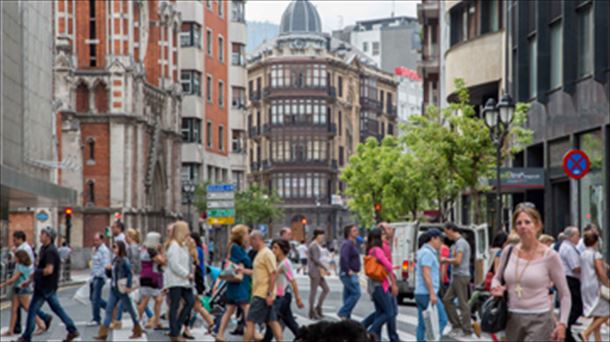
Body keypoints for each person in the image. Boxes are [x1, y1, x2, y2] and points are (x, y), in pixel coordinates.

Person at [491, 205, 571, 341]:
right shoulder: (508, 251)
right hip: (512, 318)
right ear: (515, 228)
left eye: (527, 222)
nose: (523, 226)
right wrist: (496, 286)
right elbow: (497, 278)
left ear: (538, 225)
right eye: (519, 223)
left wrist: (562, 324)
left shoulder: (550, 256)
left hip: (540, 319)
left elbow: (565, 294)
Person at [18, 227, 80, 342]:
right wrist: (29, 280)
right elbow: (40, 268)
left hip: (45, 287)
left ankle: (26, 337)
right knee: (57, 309)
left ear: (49, 237)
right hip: (43, 286)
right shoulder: (43, 249)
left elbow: (48, 270)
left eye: (43, 234)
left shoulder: (50, 251)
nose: (40, 236)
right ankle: (72, 330)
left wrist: (37, 273)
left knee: (32, 310)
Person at [242, 230, 283, 342]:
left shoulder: (267, 253)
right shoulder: (260, 253)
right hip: (261, 293)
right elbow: (257, 272)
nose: (250, 244)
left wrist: (269, 293)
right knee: (272, 322)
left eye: (251, 241)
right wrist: (242, 270)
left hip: (262, 294)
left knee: (250, 321)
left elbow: (273, 274)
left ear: (257, 239)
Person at [262, 239, 305, 342]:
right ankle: (302, 337)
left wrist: (298, 298)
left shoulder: (286, 263)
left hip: (282, 296)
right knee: (288, 320)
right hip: (279, 295)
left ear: (282, 249)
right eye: (272, 247)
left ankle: (266, 340)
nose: (273, 250)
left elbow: (293, 281)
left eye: (276, 248)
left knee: (272, 319)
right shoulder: (277, 262)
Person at [216, 225, 253, 342]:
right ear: (241, 235)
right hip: (239, 284)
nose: (248, 236)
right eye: (247, 233)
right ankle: (253, 332)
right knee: (246, 307)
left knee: (230, 309)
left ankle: (220, 334)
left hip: (235, 282)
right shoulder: (236, 248)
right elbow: (247, 261)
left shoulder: (235, 246)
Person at [0, 250, 47, 337]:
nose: (14, 259)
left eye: (16, 257)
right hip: (18, 288)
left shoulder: (21, 267)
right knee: (14, 310)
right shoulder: (25, 266)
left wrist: (3, 284)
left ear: (20, 258)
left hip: (22, 289)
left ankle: (41, 324)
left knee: (27, 308)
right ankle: (10, 330)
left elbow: (14, 279)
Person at [11, 231, 48, 336]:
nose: (13, 241)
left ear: (20, 239)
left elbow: (22, 266)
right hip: (23, 281)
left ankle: (42, 322)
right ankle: (14, 328)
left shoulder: (23, 250)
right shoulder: (24, 248)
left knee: (28, 307)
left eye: (14, 239)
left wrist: (6, 283)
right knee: (17, 307)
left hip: (23, 282)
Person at [163, 221, 195, 342]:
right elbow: (174, 265)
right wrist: (187, 274)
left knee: (190, 302)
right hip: (177, 280)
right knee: (175, 305)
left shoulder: (182, 245)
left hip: (183, 281)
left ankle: (176, 328)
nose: (188, 231)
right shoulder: (174, 245)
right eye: (186, 229)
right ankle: (175, 332)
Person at [414, 228, 448, 342]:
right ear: (433, 239)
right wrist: (432, 293)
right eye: (439, 239)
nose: (441, 243)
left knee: (423, 324)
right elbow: (426, 273)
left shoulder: (423, 252)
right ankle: (433, 339)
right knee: (442, 319)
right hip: (426, 293)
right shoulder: (427, 253)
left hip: (421, 292)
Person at [363, 228, 396, 341]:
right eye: (382, 234)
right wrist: (393, 267)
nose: (384, 235)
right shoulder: (377, 250)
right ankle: (371, 330)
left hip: (374, 284)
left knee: (380, 312)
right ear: (377, 237)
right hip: (380, 284)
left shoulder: (370, 249)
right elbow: (388, 265)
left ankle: (373, 336)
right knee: (389, 312)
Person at [441, 222, 473, 337]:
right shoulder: (456, 244)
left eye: (446, 231)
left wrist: (446, 260)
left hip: (461, 275)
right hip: (456, 276)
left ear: (451, 230)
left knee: (463, 303)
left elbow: (458, 260)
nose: (445, 235)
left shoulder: (461, 243)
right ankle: (457, 326)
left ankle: (467, 329)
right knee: (447, 300)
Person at [578, 230, 609, 342]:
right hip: (595, 286)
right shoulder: (596, 255)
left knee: (598, 314)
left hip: (585, 286)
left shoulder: (583, 254)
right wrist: (608, 284)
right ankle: (586, 332)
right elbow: (601, 272)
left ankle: (597, 339)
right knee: (606, 313)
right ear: (596, 241)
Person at [185, 232, 215, 337]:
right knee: (196, 305)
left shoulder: (194, 251)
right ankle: (211, 323)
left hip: (195, 281)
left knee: (193, 305)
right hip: (198, 279)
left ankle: (185, 326)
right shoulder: (199, 249)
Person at [559, 226, 583, 342]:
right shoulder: (568, 248)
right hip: (571, 280)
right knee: (577, 306)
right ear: (571, 236)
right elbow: (575, 267)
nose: (579, 238)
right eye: (577, 235)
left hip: (569, 279)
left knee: (573, 306)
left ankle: (566, 328)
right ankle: (566, 328)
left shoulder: (567, 247)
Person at [138, 232, 166, 330]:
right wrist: (162, 251)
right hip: (151, 277)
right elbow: (162, 261)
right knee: (145, 301)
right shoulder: (151, 251)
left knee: (158, 299)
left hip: (146, 276)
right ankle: (138, 323)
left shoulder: (143, 249)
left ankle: (156, 321)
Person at [337, 224, 361, 320]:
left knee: (348, 296)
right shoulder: (348, 244)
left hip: (350, 272)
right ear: (349, 233)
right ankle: (343, 312)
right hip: (348, 273)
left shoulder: (351, 244)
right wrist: (348, 270)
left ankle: (346, 319)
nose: (357, 232)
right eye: (354, 230)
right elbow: (343, 257)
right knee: (356, 293)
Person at [88, 233, 112, 326]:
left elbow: (105, 265)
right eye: (94, 240)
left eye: (97, 240)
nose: (95, 242)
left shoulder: (104, 251)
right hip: (93, 276)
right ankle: (111, 308)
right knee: (93, 298)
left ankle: (96, 318)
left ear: (102, 240)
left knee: (95, 298)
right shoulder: (95, 249)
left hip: (99, 277)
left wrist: (99, 275)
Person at [308, 229, 330, 319]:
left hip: (318, 271)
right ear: (317, 235)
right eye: (321, 235)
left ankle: (318, 307)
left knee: (326, 289)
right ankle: (312, 311)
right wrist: (325, 268)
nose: (322, 237)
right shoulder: (313, 245)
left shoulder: (317, 245)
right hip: (314, 271)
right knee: (314, 291)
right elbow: (316, 259)